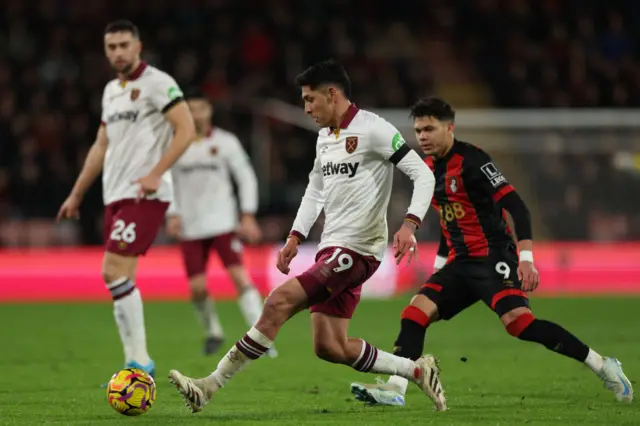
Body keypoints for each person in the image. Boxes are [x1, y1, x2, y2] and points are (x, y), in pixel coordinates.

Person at [167, 59, 446, 413]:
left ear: (333, 95)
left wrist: (409, 224)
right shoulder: (324, 138)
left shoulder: (374, 129)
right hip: (331, 247)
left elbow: (423, 175)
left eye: (310, 100)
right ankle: (417, 370)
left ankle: (209, 385)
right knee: (329, 346)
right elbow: (315, 190)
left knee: (277, 302)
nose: (307, 108)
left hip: (358, 250)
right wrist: (295, 236)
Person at [350, 97, 634, 406]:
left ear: (449, 128)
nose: (423, 137)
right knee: (414, 313)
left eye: (429, 129)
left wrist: (526, 259)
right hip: (460, 263)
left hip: (493, 257)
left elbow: (518, 208)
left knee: (519, 323)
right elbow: (450, 221)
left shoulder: (473, 161)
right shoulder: (427, 168)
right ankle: (396, 389)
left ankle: (602, 365)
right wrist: (441, 267)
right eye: (418, 130)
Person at [57, 20, 196, 377]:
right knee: (121, 278)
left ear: (138, 46)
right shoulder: (110, 92)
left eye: (123, 45)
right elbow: (101, 145)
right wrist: (76, 193)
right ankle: (134, 363)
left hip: (143, 194)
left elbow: (186, 129)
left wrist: (156, 173)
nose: (118, 52)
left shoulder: (159, 83)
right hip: (115, 195)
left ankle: (139, 361)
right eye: (111, 47)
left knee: (111, 269)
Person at [166, 89, 276, 357]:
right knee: (197, 287)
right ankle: (213, 332)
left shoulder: (226, 142)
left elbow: (246, 177)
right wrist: (172, 212)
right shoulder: (172, 145)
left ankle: (261, 339)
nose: (195, 114)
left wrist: (247, 214)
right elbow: (164, 181)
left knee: (240, 277)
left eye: (200, 108)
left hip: (223, 223)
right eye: (189, 109)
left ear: (209, 111)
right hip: (190, 227)